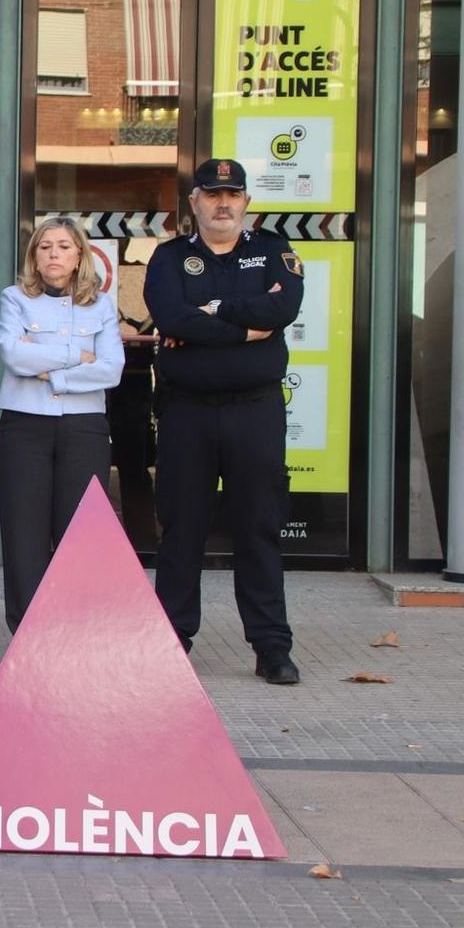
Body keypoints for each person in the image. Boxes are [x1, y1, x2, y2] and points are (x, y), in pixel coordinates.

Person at [144, 157, 305, 685]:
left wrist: (209, 313)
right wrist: (241, 325)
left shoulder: (274, 251)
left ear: (246, 203)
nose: (222, 203)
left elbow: (282, 311)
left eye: (232, 194)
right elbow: (171, 317)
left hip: (254, 411)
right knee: (181, 530)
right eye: (212, 194)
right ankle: (171, 642)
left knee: (258, 529)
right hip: (187, 411)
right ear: (194, 202)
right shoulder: (169, 258)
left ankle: (271, 647)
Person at [0, 216, 122, 631]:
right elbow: (14, 356)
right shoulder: (14, 298)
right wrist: (79, 356)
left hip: (83, 428)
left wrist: (52, 368)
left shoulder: (100, 305)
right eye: (45, 246)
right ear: (34, 255)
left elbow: (112, 370)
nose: (54, 254)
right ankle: (28, 634)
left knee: (79, 535)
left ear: (79, 254)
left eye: (64, 246)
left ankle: (73, 633)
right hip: (24, 426)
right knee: (23, 537)